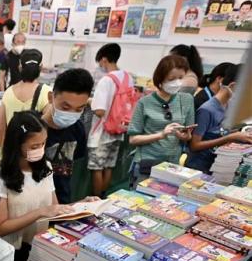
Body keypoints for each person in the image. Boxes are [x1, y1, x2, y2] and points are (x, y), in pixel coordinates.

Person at [0, 111, 75, 261]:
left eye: (43, 143)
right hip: (11, 253)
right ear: (17, 144)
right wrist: (40, 213)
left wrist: (84, 205)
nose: (41, 149)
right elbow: (1, 228)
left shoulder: (46, 168)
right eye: (35, 145)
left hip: (40, 247)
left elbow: (55, 209)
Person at [127, 55, 196, 185]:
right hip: (147, 162)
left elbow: (188, 135)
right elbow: (133, 139)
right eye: (171, 79)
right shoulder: (144, 103)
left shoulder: (187, 100)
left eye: (180, 78)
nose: (177, 82)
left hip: (172, 164)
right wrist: (161, 135)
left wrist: (185, 136)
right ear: (160, 78)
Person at [186, 65, 252, 173]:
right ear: (233, 86)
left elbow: (221, 131)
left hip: (217, 164)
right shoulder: (207, 110)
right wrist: (229, 137)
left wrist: (239, 135)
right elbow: (194, 145)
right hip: (199, 167)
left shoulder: (229, 105)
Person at [42, 68, 94, 203]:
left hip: (62, 200)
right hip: (35, 206)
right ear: (51, 97)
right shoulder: (32, 129)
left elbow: (74, 163)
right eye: (65, 108)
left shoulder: (78, 129)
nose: (71, 113)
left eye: (79, 109)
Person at [88, 43, 132, 197]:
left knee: (96, 169)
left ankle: (96, 200)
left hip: (101, 132)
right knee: (108, 167)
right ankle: (104, 196)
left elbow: (100, 111)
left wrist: (88, 101)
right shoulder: (127, 77)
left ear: (104, 60)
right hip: (118, 129)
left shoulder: (106, 80)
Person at [0, 49, 50, 152]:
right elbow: (49, 125)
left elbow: (0, 127)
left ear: (20, 67)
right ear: (40, 67)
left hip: (10, 152)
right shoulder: (46, 92)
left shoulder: (9, 92)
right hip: (32, 152)